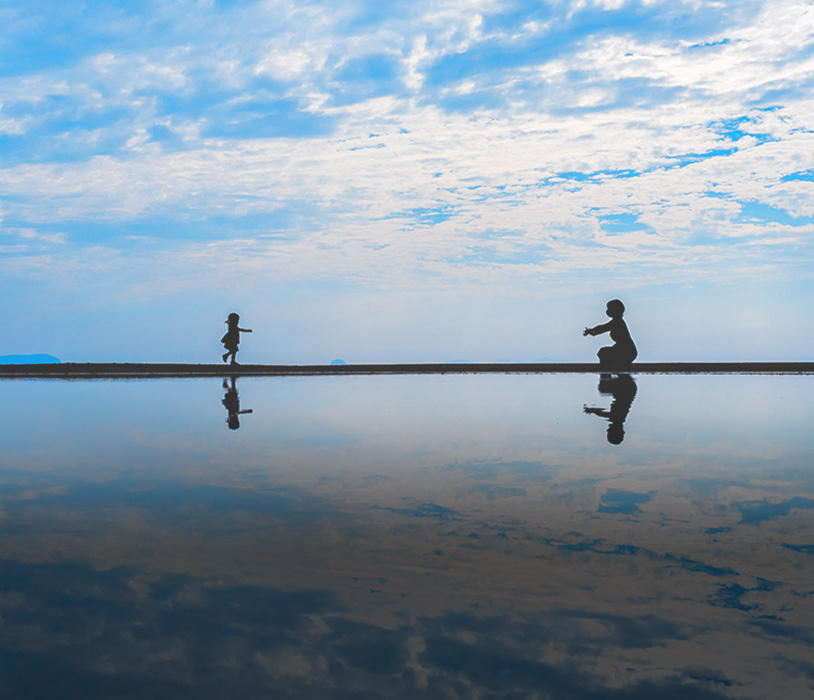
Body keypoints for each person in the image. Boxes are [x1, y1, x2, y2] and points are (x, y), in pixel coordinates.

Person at [583, 299, 637, 369]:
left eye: (609, 309)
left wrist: (591, 331)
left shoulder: (617, 322)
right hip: (624, 349)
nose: (607, 311)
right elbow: (602, 328)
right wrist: (592, 331)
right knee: (604, 352)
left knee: (603, 353)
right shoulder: (617, 321)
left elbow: (602, 328)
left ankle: (605, 371)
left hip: (627, 350)